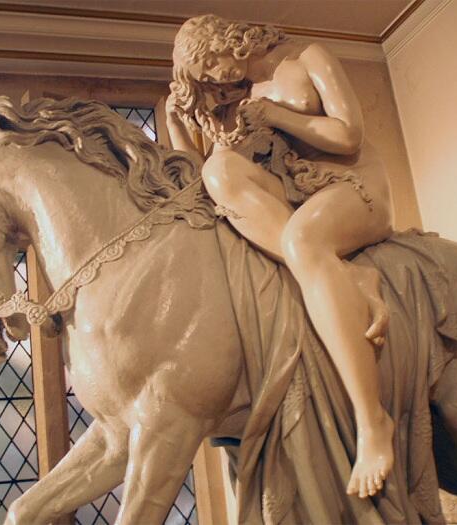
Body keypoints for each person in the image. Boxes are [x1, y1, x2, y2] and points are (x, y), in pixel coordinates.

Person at [167, 14, 395, 499]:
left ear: (224, 40)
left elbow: (349, 136)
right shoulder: (246, 98)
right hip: (300, 199)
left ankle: (373, 421)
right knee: (220, 170)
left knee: (303, 241)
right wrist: (176, 123)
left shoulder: (308, 58)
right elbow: (208, 186)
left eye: (211, 63)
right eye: (205, 76)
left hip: (352, 187)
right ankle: (347, 275)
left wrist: (276, 116)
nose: (216, 76)